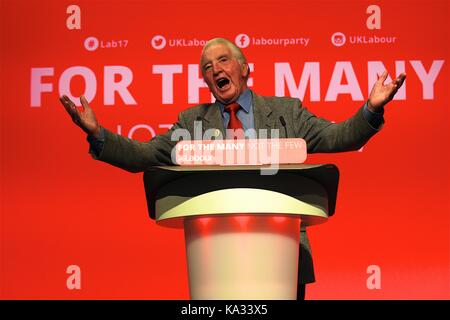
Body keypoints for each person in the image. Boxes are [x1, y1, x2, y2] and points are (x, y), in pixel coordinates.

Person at [59, 37, 406, 300]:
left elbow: (337, 137)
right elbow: (146, 155)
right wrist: (97, 133)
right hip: (216, 259)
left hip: (281, 257)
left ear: (244, 68)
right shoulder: (191, 121)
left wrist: (370, 110)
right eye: (207, 68)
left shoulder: (286, 112)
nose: (215, 70)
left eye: (223, 60)